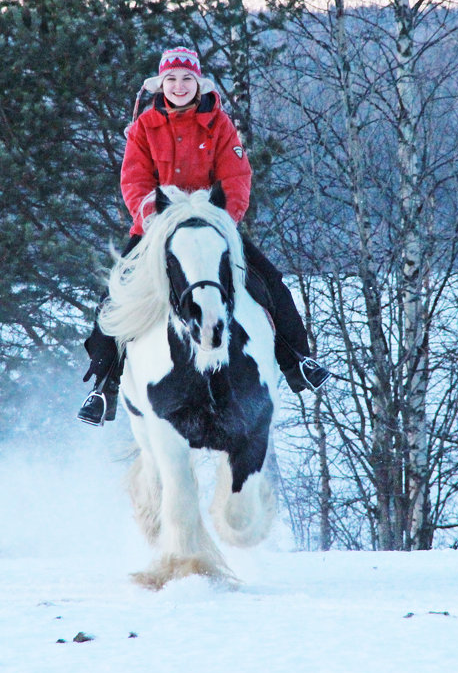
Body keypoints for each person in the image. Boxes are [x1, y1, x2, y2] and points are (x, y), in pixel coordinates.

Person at [79, 46, 329, 425]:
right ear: (161, 85)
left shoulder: (221, 125)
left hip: (212, 227)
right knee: (114, 298)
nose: (179, 86)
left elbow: (236, 178)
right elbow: (133, 180)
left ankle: (297, 361)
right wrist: (155, 218)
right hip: (156, 229)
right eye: (172, 80)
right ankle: (103, 386)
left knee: (271, 284)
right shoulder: (145, 127)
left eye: (186, 79)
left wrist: (219, 221)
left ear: (198, 84)